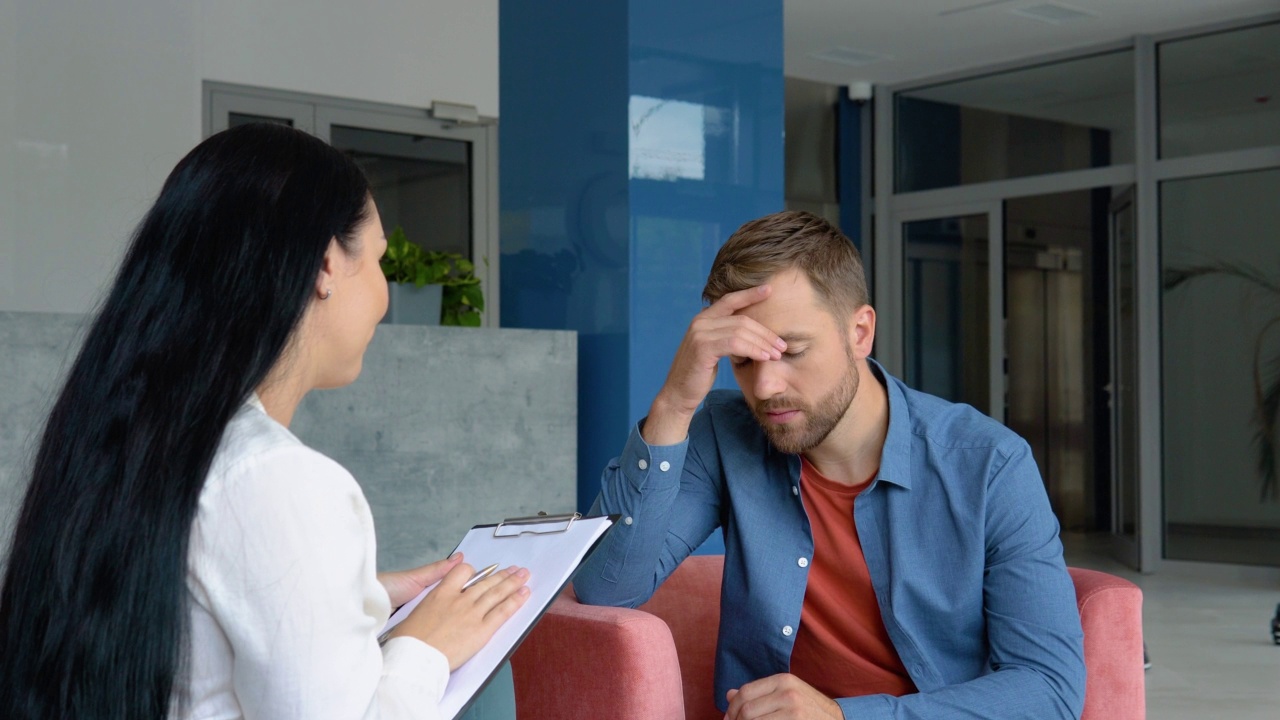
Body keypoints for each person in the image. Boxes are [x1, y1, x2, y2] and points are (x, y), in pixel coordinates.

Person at [0, 123, 530, 720]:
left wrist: (358, 597)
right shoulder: (276, 478)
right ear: (326, 265)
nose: (384, 294)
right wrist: (424, 648)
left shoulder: (130, 441)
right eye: (379, 260)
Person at [574, 210, 1086, 719]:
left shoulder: (989, 465)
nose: (766, 388)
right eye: (745, 360)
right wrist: (673, 406)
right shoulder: (722, 434)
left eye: (791, 351)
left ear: (860, 332)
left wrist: (844, 718)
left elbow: (1048, 689)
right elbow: (607, 589)